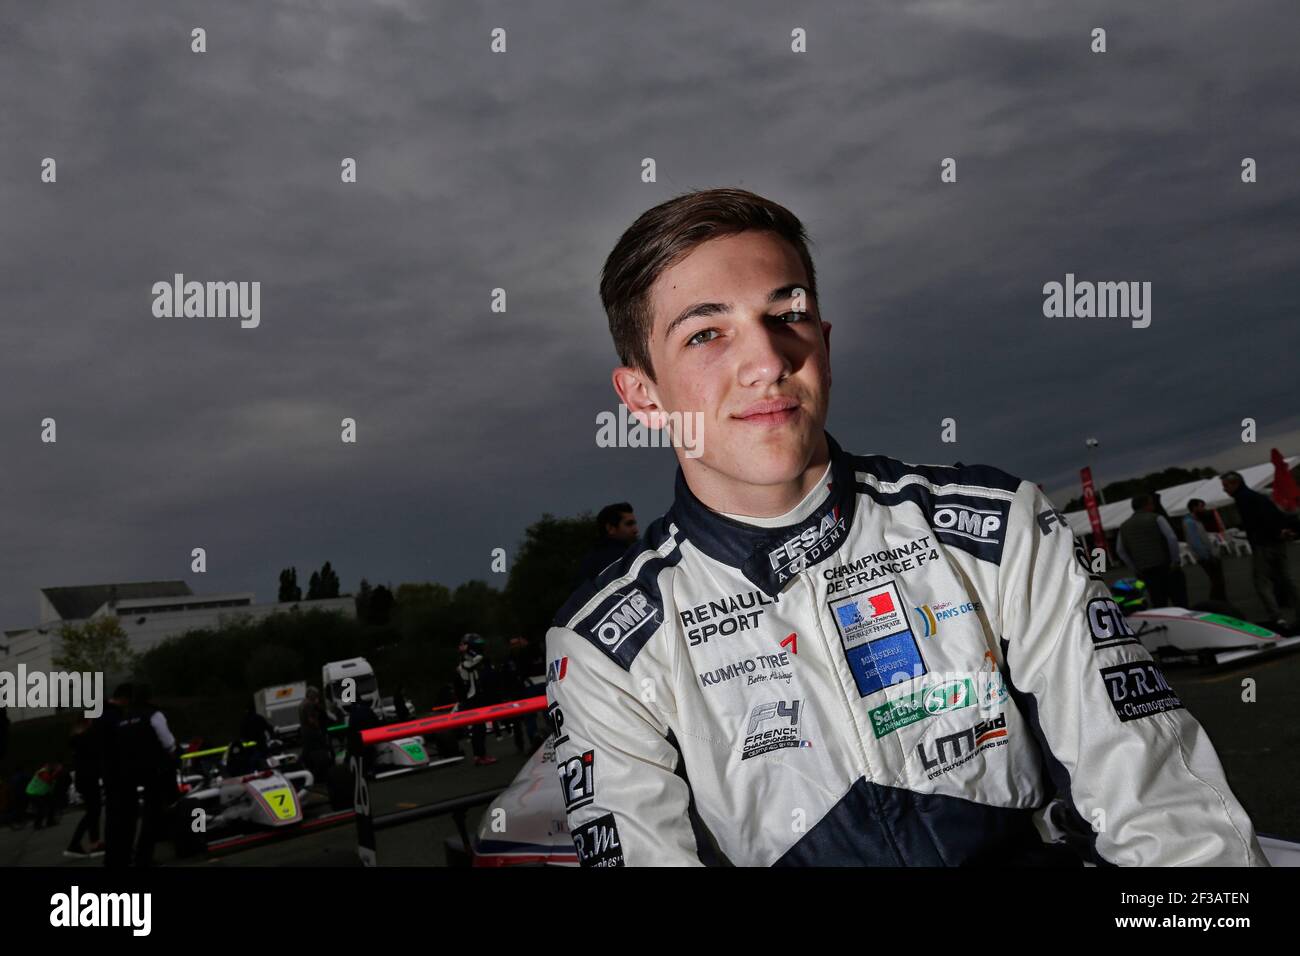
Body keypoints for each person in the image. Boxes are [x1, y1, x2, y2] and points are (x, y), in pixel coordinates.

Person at [546, 187, 1265, 866]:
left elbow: (1167, 811)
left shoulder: (994, 530)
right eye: (706, 334)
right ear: (642, 396)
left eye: (786, 315)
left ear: (823, 342)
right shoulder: (605, 649)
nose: (767, 361)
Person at [1222, 470, 1300, 631]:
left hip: (1263, 545)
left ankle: (1277, 618)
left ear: (1235, 483)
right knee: (1286, 579)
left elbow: (1256, 522)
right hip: (1277, 542)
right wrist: (1282, 531)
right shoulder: (1258, 497)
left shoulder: (1243, 499)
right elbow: (1276, 515)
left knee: (1261, 582)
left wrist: (1267, 534)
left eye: (1226, 486)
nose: (1224, 490)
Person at [1115, 494, 1181, 607]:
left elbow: (1120, 550)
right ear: (1146, 505)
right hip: (1166, 566)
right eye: (1151, 503)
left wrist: (1135, 568)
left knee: (1159, 603)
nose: (1153, 505)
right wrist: (1175, 560)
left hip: (1146, 571)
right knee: (1179, 601)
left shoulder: (1124, 526)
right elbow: (1172, 538)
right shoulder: (1157, 518)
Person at [65, 717, 105, 858]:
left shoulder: (77, 739)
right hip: (88, 778)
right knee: (93, 811)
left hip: (84, 779)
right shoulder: (84, 738)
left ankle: (93, 843)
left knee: (93, 811)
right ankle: (82, 844)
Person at [455, 634, 497, 766]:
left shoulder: (469, 658)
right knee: (478, 728)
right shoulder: (467, 660)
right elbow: (475, 661)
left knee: (479, 728)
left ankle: (479, 755)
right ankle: (480, 755)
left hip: (473, 697)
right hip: (471, 698)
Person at [576, 503, 639, 584]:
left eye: (634, 524)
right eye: (629, 524)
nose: (635, 530)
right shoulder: (624, 559)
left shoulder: (589, 559)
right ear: (610, 528)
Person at [1183, 498, 1228, 603]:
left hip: (1210, 555)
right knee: (1217, 581)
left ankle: (1220, 602)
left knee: (1218, 581)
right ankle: (1216, 602)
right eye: (1201, 506)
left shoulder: (1196, 521)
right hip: (1206, 557)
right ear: (1194, 508)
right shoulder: (1189, 522)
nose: (1204, 509)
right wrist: (1206, 556)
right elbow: (1195, 542)